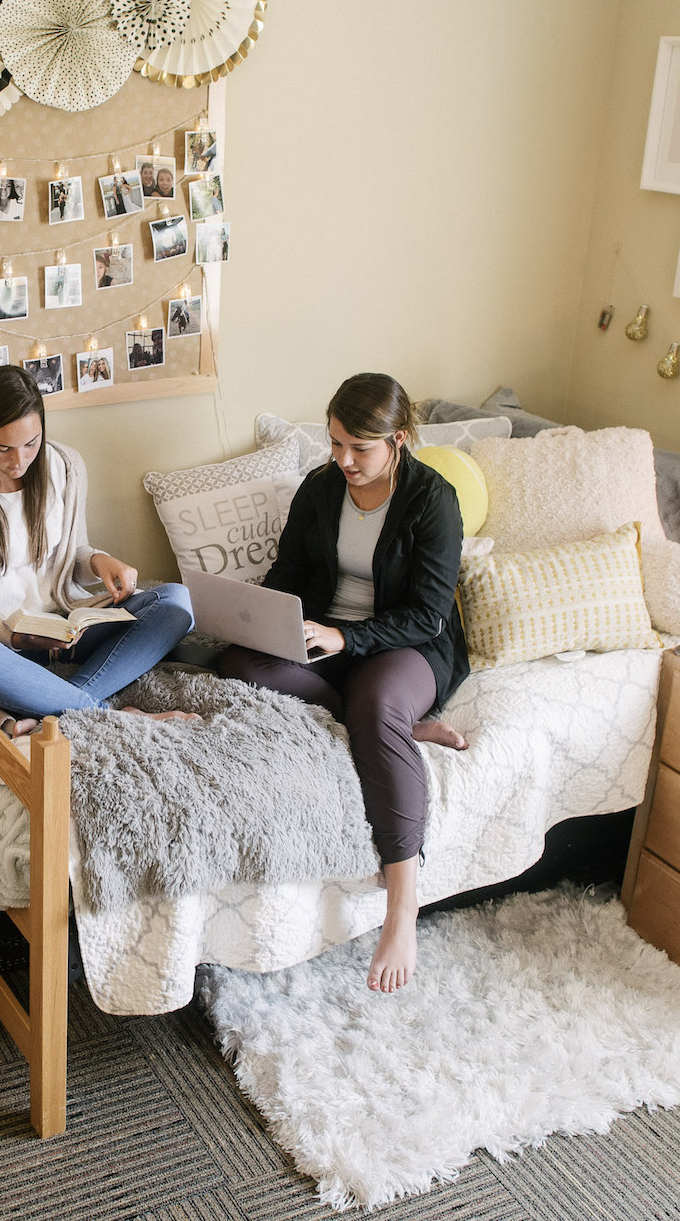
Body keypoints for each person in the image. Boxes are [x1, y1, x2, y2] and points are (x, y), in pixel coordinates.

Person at [217, 372, 471, 995]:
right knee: (236, 664)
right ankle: (394, 725)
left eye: (359, 448)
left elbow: (429, 613)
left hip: (406, 645)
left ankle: (401, 909)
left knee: (378, 697)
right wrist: (259, 616)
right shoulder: (321, 487)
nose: (344, 460)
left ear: (399, 440)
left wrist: (345, 639)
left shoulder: (432, 501)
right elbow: (290, 569)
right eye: (335, 444)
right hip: (327, 638)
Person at [0, 365, 194, 731]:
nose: (19, 461)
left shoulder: (66, 466)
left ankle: (61, 700)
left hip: (65, 628)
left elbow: (72, 557)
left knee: (174, 602)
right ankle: (105, 715)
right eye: (3, 448)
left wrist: (98, 561)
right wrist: (10, 634)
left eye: (31, 444)